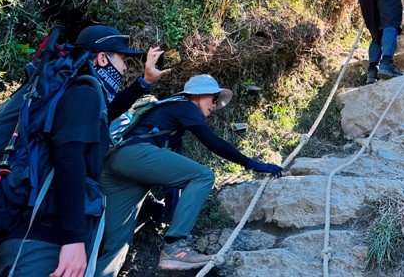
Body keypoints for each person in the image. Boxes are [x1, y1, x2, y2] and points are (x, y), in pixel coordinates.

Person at [0, 25, 170, 277]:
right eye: (121, 59)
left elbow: (105, 113)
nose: (124, 68)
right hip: (43, 243)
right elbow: (69, 159)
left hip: (34, 237)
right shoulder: (83, 93)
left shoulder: (79, 93)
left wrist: (145, 82)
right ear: (102, 58)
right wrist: (73, 240)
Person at [96, 74, 283, 275]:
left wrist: (169, 209)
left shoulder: (172, 125)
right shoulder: (184, 105)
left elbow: (173, 180)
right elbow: (212, 142)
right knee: (203, 176)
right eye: (214, 99)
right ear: (199, 94)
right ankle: (176, 246)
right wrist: (253, 164)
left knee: (116, 247)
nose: (214, 107)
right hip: (133, 155)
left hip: (115, 167)